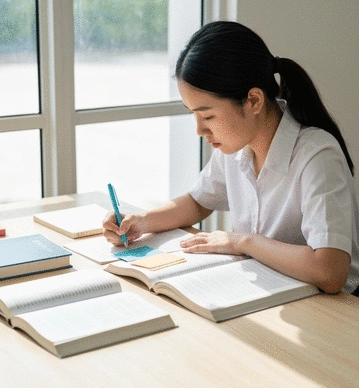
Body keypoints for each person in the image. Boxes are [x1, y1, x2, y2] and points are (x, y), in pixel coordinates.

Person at [103, 21, 359, 296]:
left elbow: (330, 272)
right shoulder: (236, 146)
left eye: (208, 116)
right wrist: (141, 222)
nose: (200, 130)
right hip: (270, 291)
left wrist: (243, 242)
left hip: (334, 309)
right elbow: (198, 202)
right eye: (194, 115)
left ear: (253, 101)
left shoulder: (316, 156)